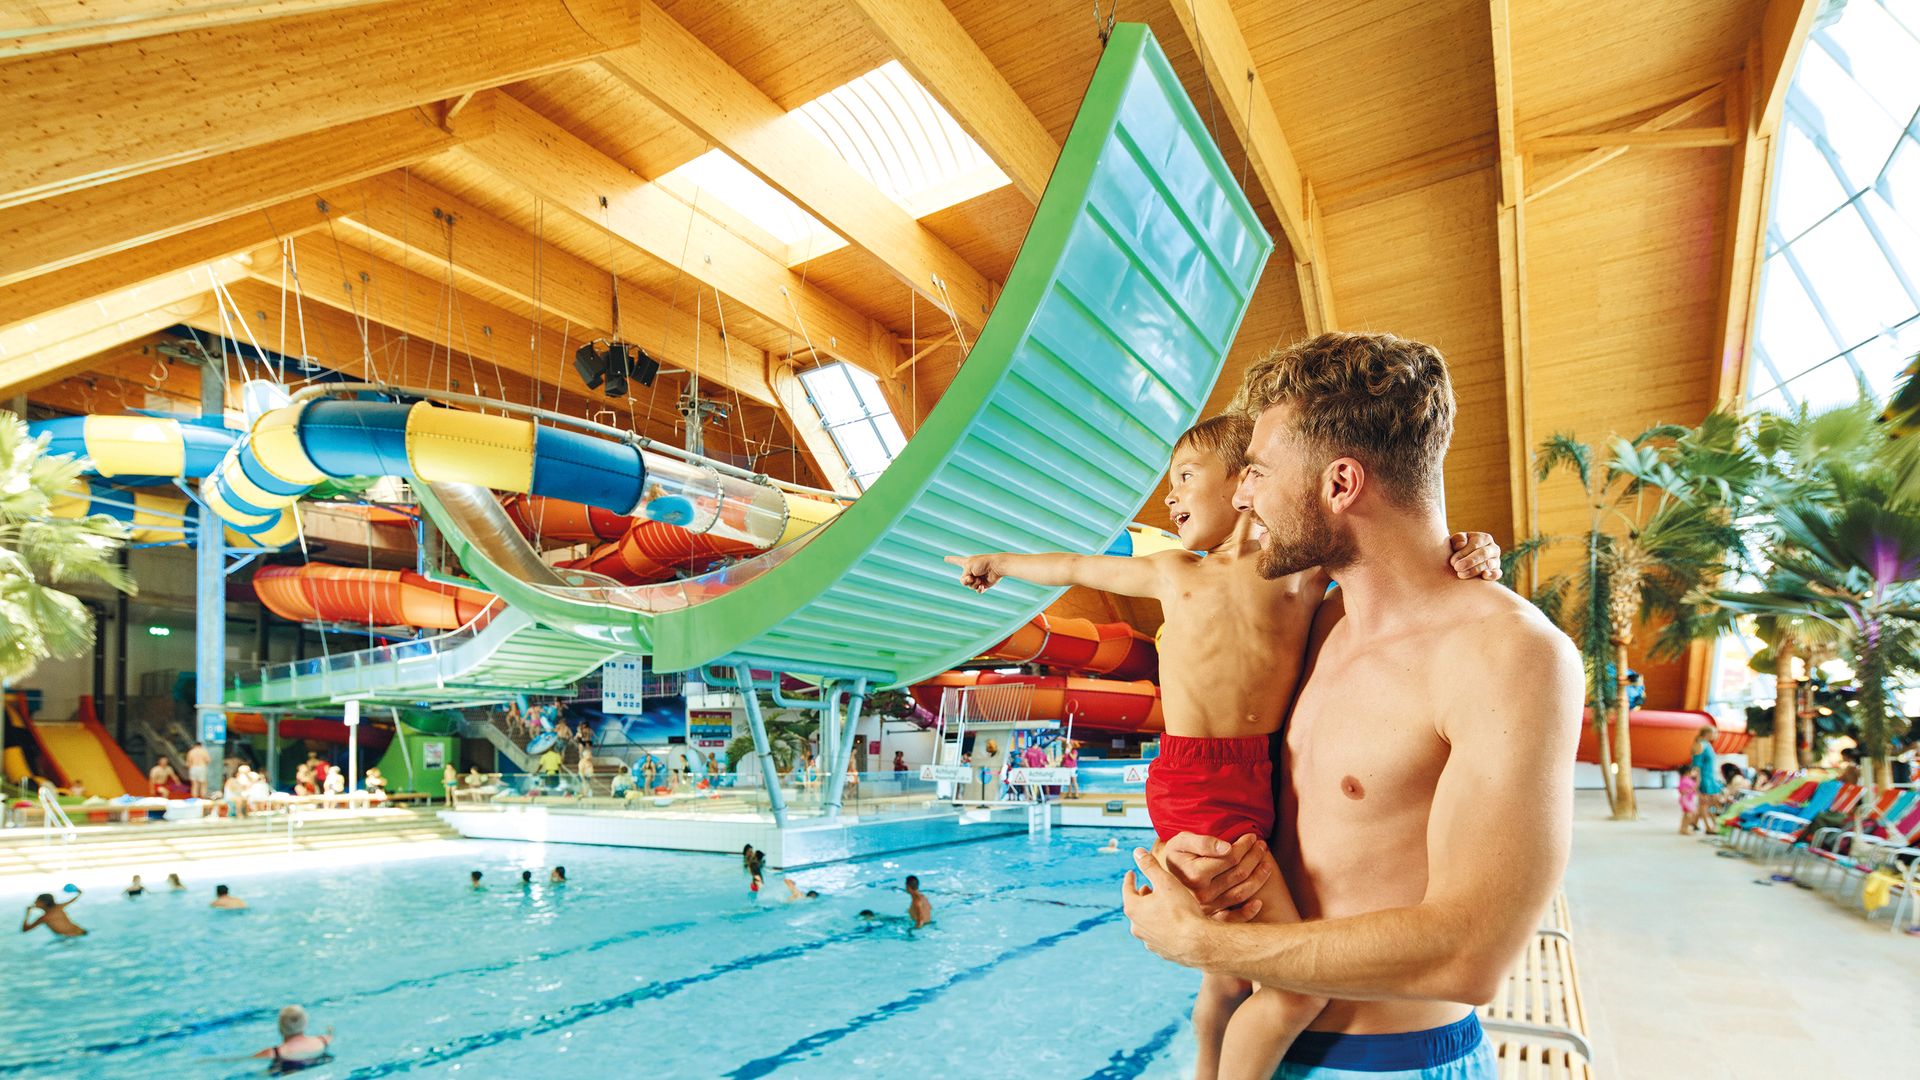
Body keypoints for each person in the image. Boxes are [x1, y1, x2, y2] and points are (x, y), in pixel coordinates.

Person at [953, 407, 1501, 1080]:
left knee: (1227, 978)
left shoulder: (1302, 574)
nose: (1170, 497)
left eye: (1186, 476)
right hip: (1198, 783)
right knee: (1291, 992)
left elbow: (1391, 554)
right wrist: (998, 563)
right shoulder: (1173, 572)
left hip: (1256, 774)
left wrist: (1470, 547)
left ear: (1247, 479)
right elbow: (1073, 565)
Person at [1120, 332, 1581, 1080]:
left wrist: (1209, 945)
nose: (1242, 495)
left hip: (1388, 1065)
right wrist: (1201, 862)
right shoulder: (1316, 625)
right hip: (1265, 1048)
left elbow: (1472, 955)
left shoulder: (1507, 654)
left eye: (1258, 471)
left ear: (1340, 484)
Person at [251, 1004, 334, 1074]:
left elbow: (247, 1060)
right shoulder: (323, 1040)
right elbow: (330, 1036)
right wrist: (330, 1031)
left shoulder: (274, 1052)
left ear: (280, 1028)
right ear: (305, 1024)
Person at [1676, 766, 1702, 835]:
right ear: (1687, 772)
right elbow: (1694, 788)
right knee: (1691, 813)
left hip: (1685, 800)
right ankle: (1685, 829)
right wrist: (1698, 778)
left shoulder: (1684, 779)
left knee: (1686, 814)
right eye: (1692, 771)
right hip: (1687, 800)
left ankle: (1683, 828)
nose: (1694, 773)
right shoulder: (1687, 780)